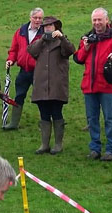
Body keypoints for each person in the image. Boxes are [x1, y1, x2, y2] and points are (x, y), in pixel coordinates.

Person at [74, 8, 112, 162]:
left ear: (106, 21)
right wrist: (86, 48)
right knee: (92, 119)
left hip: (107, 86)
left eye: (99, 20)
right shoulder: (87, 38)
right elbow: (78, 58)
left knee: (110, 119)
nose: (97, 23)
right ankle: (95, 148)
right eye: (94, 20)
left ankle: (111, 149)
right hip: (89, 86)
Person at [27, 16, 75, 155]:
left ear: (56, 27)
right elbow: (31, 51)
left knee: (56, 112)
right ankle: (44, 144)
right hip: (41, 85)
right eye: (45, 26)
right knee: (44, 114)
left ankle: (58, 144)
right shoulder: (40, 42)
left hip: (56, 85)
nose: (47, 28)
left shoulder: (62, 42)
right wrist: (42, 39)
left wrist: (62, 38)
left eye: (50, 25)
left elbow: (71, 50)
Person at [4, 7, 44, 130]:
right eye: (35, 17)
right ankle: (14, 123)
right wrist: (11, 60)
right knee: (19, 96)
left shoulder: (44, 33)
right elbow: (14, 49)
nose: (37, 20)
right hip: (23, 70)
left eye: (40, 18)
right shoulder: (20, 31)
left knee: (41, 98)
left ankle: (45, 122)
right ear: (30, 18)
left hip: (39, 71)